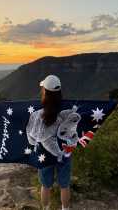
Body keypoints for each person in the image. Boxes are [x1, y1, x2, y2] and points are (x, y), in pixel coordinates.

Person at [27, 74, 73, 210]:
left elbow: (31, 138)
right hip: (64, 153)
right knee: (64, 185)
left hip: (43, 155)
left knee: (45, 186)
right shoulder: (67, 113)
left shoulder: (36, 115)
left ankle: (46, 208)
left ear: (44, 92)